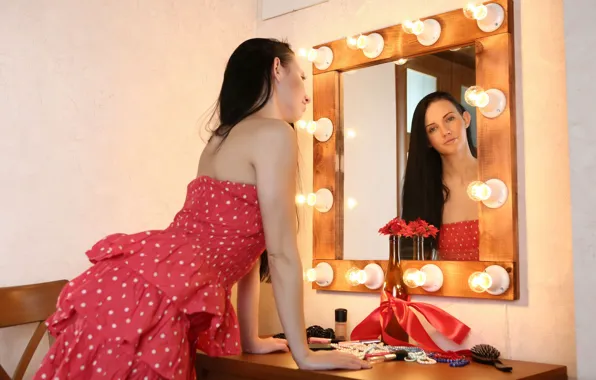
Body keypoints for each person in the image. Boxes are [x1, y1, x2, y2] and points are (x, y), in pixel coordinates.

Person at [33, 38, 371, 380]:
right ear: (277, 68)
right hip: (158, 298)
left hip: (136, 285)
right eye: (300, 76)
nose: (306, 94)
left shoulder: (220, 138)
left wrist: (251, 338)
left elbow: (249, 245)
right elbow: (281, 252)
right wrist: (305, 355)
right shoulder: (275, 134)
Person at [401, 91, 479, 261]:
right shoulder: (425, 193)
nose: (445, 132)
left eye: (450, 119)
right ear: (428, 140)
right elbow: (415, 265)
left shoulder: (497, 181)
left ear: (466, 119)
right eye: (433, 129)